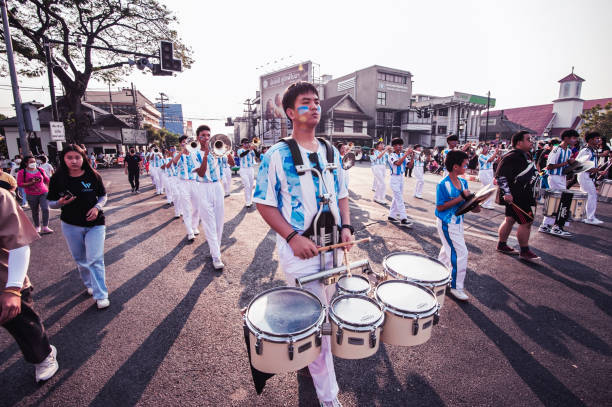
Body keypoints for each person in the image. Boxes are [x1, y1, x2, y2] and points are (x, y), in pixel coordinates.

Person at [254, 81, 352, 407]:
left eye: (317, 102)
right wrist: (292, 238)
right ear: (291, 112)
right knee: (318, 323)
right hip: (301, 253)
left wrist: (347, 228)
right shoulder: (276, 155)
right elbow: (264, 204)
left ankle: (311, 362)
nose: (314, 106)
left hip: (333, 249)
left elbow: (341, 195)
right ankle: (329, 398)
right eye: (306, 102)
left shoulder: (330, 151)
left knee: (329, 313)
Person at [0, 188, 59, 382]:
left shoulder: (1, 196)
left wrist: (13, 288)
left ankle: (44, 357)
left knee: (23, 326)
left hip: (5, 281)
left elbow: (19, 242)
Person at [47, 144, 109, 309]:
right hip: (70, 224)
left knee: (95, 259)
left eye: (77, 157)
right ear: (64, 159)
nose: (74, 161)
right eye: (69, 157)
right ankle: (89, 284)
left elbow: (103, 196)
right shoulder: (57, 178)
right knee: (81, 259)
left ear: (83, 158)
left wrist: (97, 208)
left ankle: (101, 294)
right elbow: (50, 203)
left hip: (95, 224)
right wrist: (59, 203)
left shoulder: (93, 175)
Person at [435, 150, 479, 301]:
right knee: (461, 253)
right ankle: (456, 287)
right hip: (447, 223)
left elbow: (467, 203)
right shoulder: (443, 184)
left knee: (447, 250)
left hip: (458, 223)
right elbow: (440, 207)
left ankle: (437, 276)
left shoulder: (464, 182)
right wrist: (461, 197)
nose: (466, 167)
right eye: (465, 165)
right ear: (455, 167)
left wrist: (475, 204)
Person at [495, 131, 540, 261]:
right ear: (519, 142)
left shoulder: (526, 155)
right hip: (516, 196)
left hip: (521, 194)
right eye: (528, 139)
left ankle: (502, 245)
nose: (531, 141)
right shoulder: (512, 156)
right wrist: (507, 194)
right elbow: (500, 176)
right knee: (527, 221)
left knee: (510, 219)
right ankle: (524, 251)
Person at [192, 125, 225, 269]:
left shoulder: (216, 151)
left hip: (217, 186)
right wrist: (205, 155)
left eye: (208, 135)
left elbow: (231, 163)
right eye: (203, 135)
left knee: (219, 222)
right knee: (209, 223)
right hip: (203, 187)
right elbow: (200, 173)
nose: (206, 138)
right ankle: (217, 257)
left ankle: (214, 250)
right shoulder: (193, 153)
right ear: (197, 137)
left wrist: (226, 153)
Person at [538, 130, 578, 237]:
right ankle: (556, 226)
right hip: (554, 177)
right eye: (573, 138)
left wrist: (573, 165)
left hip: (562, 177)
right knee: (560, 202)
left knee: (556, 201)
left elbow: (566, 166)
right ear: (566, 138)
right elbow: (550, 166)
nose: (575, 140)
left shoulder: (569, 151)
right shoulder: (556, 150)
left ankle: (546, 225)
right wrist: (567, 163)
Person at [172, 136, 201, 241]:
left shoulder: (195, 153)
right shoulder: (177, 154)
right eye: (184, 142)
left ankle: (194, 226)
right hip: (183, 183)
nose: (186, 144)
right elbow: (174, 162)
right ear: (181, 144)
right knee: (186, 208)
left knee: (197, 207)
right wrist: (182, 151)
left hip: (194, 182)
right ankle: (189, 231)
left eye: (188, 142)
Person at [16, 155, 53, 234]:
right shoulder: (22, 172)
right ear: (26, 163)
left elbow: (47, 180)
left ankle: (45, 226)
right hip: (31, 194)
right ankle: (37, 226)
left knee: (45, 209)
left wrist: (49, 189)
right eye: (31, 162)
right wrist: (31, 182)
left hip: (43, 192)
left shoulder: (40, 170)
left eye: (34, 162)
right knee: (35, 211)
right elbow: (19, 184)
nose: (33, 163)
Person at [577, 132, 604, 225]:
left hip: (588, 176)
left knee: (587, 196)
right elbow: (579, 165)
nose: (599, 140)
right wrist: (593, 170)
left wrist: (598, 171)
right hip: (584, 176)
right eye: (597, 138)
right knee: (592, 195)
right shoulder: (586, 151)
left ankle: (583, 215)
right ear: (590, 140)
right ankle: (590, 218)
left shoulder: (592, 150)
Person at [387, 138, 413, 226]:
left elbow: (409, 166)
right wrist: (406, 154)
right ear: (394, 146)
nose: (400, 146)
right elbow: (397, 163)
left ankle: (391, 215)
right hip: (394, 178)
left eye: (401, 145)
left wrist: (412, 157)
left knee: (397, 197)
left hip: (401, 178)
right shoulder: (391, 155)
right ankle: (403, 218)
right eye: (397, 145)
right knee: (399, 199)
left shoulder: (402, 154)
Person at [477, 144, 500, 209]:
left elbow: (496, 160)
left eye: (487, 147)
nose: (487, 149)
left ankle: (483, 202)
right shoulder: (481, 156)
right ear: (481, 149)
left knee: (485, 188)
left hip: (489, 171)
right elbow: (490, 160)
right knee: (490, 187)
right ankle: (487, 204)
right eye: (485, 148)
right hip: (484, 172)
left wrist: (497, 155)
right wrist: (495, 153)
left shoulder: (489, 155)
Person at [237, 138, 257, 207]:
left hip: (251, 169)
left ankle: (250, 200)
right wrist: (250, 149)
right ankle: (247, 202)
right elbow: (242, 155)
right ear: (242, 144)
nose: (247, 144)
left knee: (251, 186)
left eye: (248, 142)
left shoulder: (251, 151)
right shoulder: (240, 150)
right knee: (247, 185)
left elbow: (257, 155)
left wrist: (254, 148)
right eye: (245, 143)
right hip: (243, 169)